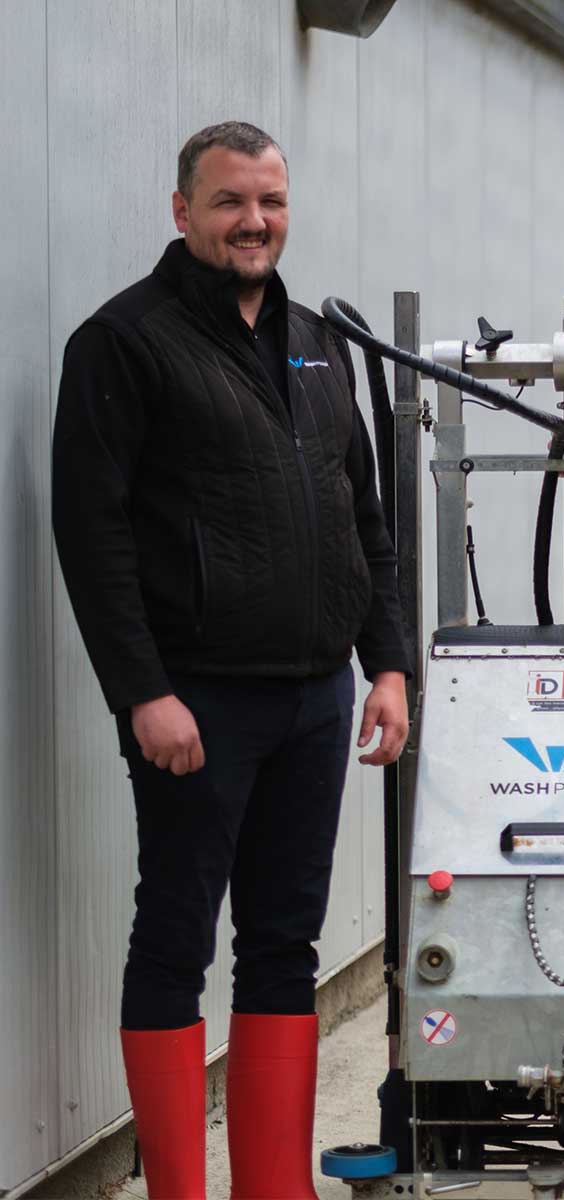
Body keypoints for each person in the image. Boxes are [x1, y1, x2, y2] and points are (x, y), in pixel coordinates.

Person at [52, 121, 410, 1199]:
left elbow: (362, 516)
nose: (254, 222)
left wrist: (387, 665)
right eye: (229, 202)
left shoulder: (317, 343)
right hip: (195, 703)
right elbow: (93, 536)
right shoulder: (123, 343)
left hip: (315, 698)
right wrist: (142, 693)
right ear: (183, 211)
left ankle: (272, 1187)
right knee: (175, 938)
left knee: (285, 946)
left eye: (270, 202)